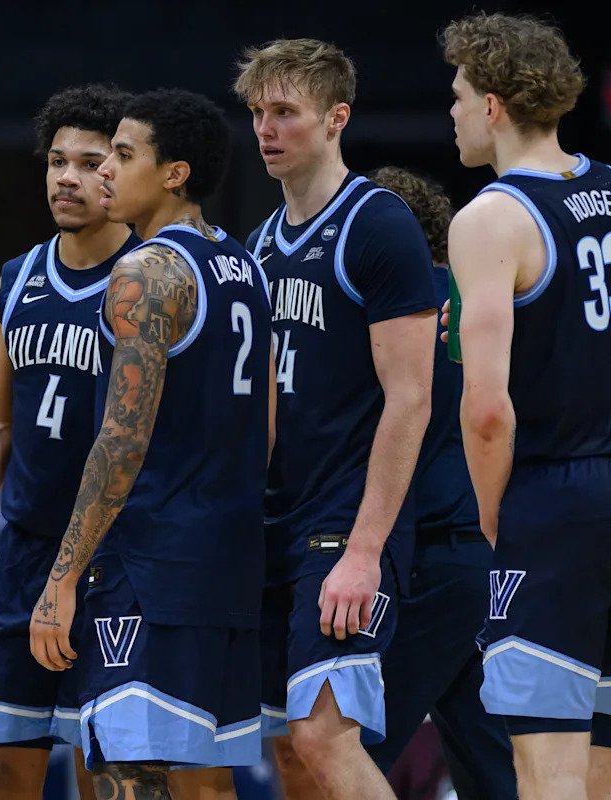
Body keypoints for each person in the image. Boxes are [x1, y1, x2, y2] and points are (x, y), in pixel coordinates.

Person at [29, 87, 277, 799]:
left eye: (123, 155)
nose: (105, 170)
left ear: (174, 173)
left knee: (127, 776)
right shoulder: (245, 265)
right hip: (229, 561)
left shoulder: (145, 273)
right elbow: (265, 423)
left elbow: (121, 440)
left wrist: (63, 578)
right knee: (207, 784)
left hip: (151, 566)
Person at [0, 82, 138, 800]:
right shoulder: (18, 280)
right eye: (56, 162)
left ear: (124, 169)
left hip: (114, 559)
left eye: (90, 163)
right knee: (6, 766)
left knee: (102, 767)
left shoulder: (151, 279)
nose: (67, 178)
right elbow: (1, 426)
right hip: (23, 554)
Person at [232, 39, 437, 800]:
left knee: (323, 734)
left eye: (285, 111)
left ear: (336, 118)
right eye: (258, 112)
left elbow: (410, 399)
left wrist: (364, 550)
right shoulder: (259, 245)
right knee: (290, 749)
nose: (266, 128)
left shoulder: (377, 224)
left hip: (345, 521)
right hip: (275, 520)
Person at [439, 11, 611, 800]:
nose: (451, 112)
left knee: (547, 770)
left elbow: (487, 410)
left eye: (458, 95)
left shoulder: (490, 218)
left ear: (493, 105)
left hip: (556, 499)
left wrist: (492, 511)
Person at [362, 166, 516, 798]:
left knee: (345, 754)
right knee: (493, 769)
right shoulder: (476, 305)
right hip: (488, 555)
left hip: (430, 556)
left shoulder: (389, 314)